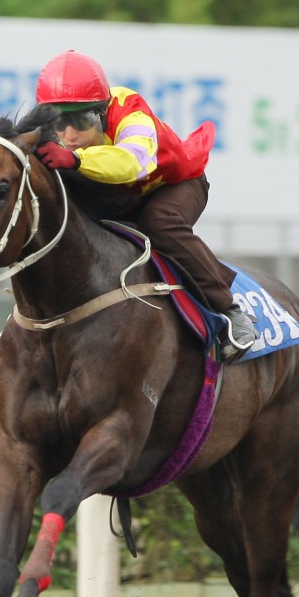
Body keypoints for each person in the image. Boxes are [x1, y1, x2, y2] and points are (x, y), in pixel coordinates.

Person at [33, 49, 256, 362]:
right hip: (119, 198)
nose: (69, 135)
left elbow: (133, 162)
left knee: (159, 221)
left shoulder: (129, 110)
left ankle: (230, 312)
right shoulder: (49, 135)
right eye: (59, 122)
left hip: (175, 185)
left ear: (101, 111)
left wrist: (76, 159)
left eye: (80, 120)